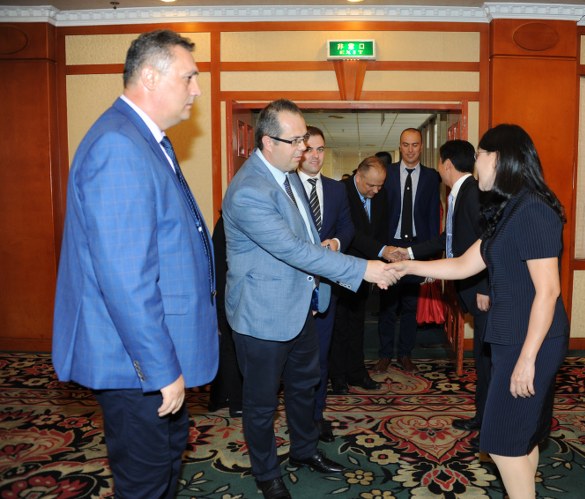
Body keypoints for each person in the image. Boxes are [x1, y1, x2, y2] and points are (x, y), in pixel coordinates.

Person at [51, 30, 218, 498]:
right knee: (146, 482)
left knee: (164, 467)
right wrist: (162, 369)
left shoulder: (141, 139)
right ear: (150, 76)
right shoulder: (119, 146)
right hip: (135, 364)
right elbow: (127, 280)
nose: (196, 90)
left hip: (147, 356)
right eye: (188, 77)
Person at [221, 99, 396, 499]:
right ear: (268, 142)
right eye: (296, 140)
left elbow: (309, 238)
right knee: (262, 404)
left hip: (300, 306)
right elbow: (293, 249)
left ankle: (303, 450)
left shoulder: (289, 175)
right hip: (262, 315)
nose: (303, 148)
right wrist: (363, 269)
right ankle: (267, 474)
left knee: (305, 386)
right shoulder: (249, 190)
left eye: (305, 139)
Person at [385, 124, 569, 499]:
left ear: (498, 159)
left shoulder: (533, 209)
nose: (475, 163)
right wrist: (407, 267)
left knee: (501, 443)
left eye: (480, 155)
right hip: (511, 335)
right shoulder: (510, 208)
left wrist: (527, 359)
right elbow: (463, 264)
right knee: (521, 438)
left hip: (529, 340)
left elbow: (549, 291)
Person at [401, 140, 491, 445]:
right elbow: (447, 239)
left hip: (481, 291)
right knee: (482, 359)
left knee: (488, 361)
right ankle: (481, 416)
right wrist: (408, 253)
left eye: (440, 162)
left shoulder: (473, 194)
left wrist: (485, 288)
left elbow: (488, 241)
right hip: (470, 287)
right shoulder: (459, 193)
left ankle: (490, 426)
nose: (439, 168)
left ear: (448, 164)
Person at [295, 125, 355, 443]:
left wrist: (335, 242)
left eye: (320, 150)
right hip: (290, 288)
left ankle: (316, 417)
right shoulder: (284, 186)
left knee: (320, 356)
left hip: (325, 288)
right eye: (309, 149)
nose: (315, 156)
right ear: (298, 150)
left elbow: (347, 227)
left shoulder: (336, 190)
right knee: (294, 360)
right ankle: (298, 419)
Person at [377, 128, 441, 372]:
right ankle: (384, 354)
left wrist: (432, 257)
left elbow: (433, 216)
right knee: (387, 306)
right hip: (391, 247)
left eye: (415, 145)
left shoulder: (431, 177)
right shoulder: (388, 173)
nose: (410, 149)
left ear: (421, 146)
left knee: (410, 306)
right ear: (400, 147)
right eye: (406, 144)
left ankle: (405, 354)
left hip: (417, 247)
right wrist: (380, 248)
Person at [329, 157, 389, 395]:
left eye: (380, 186)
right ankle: (338, 376)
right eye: (371, 185)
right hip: (343, 267)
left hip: (367, 269)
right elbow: (350, 232)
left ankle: (356, 372)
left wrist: (384, 256)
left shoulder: (380, 194)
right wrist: (382, 250)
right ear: (358, 176)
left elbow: (380, 229)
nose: (375, 190)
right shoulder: (340, 192)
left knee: (357, 324)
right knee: (339, 324)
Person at [208, 213, 243, 418]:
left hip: (224, 291)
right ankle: (237, 401)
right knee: (232, 347)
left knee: (226, 347)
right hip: (232, 293)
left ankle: (219, 397)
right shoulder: (235, 220)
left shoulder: (224, 221)